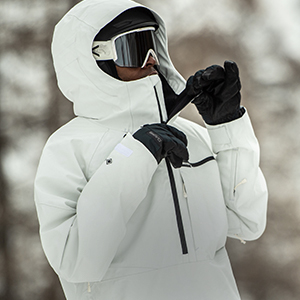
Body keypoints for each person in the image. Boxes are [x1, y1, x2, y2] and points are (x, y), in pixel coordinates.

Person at [34, 0, 268, 299]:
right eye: (134, 46)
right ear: (95, 60)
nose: (151, 59)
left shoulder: (190, 135)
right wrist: (136, 155)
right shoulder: (68, 148)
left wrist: (226, 127)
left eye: (153, 44)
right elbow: (75, 260)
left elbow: (247, 222)